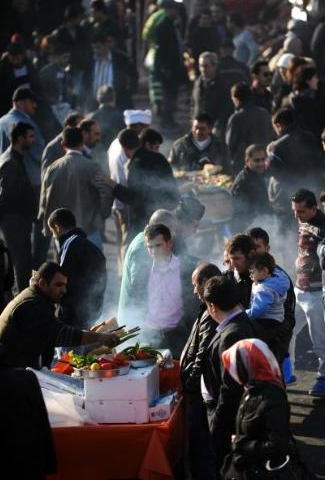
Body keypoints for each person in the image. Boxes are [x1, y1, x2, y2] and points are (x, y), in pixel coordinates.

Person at [0, 262, 119, 369]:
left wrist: (90, 334)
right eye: (58, 285)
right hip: (8, 371)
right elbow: (61, 334)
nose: (64, 290)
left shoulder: (39, 299)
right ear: (42, 283)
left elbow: (53, 329)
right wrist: (99, 337)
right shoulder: (31, 305)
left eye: (65, 285)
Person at [201, 275, 257, 479]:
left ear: (213, 307)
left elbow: (230, 388)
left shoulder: (233, 334)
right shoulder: (238, 323)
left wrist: (216, 424)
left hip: (228, 421)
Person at [119, 222, 199, 358]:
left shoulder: (186, 270)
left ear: (169, 244)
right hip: (151, 336)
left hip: (178, 335)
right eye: (149, 247)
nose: (153, 251)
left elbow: (194, 305)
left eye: (158, 245)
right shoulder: (143, 272)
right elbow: (137, 300)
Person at [221, 338, 290, 480]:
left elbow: (278, 446)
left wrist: (242, 444)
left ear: (247, 365)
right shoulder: (251, 388)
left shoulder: (272, 397)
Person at [39, 126, 113, 251]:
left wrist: (49, 227)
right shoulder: (91, 166)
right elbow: (106, 192)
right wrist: (100, 217)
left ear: (62, 144)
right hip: (88, 229)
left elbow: (44, 202)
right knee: (93, 268)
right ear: (82, 142)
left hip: (61, 231)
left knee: (65, 268)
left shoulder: (53, 168)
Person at [180, 262, 221, 480]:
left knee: (202, 448)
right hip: (199, 393)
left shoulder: (210, 316)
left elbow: (201, 357)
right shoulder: (206, 310)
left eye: (195, 285)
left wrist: (190, 385)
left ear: (205, 283)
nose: (194, 290)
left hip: (201, 395)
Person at [103, 128, 179, 242]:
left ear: (123, 148)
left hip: (146, 219)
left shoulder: (136, 164)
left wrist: (114, 186)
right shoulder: (160, 158)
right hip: (168, 214)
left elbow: (135, 197)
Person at [108, 108, 152, 274]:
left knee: (123, 242)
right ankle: (127, 278)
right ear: (139, 127)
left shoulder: (114, 143)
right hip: (126, 203)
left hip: (118, 202)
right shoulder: (128, 150)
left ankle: (123, 276)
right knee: (129, 244)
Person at [47, 208, 107, 329]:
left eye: (52, 232)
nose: (53, 236)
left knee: (69, 347)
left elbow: (61, 279)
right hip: (91, 312)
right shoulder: (92, 247)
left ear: (57, 227)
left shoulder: (69, 245)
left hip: (72, 314)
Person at [291, 189, 325, 396]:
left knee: (319, 341)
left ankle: (323, 377)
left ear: (314, 208)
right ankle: (287, 372)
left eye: (301, 211)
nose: (297, 215)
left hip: (316, 293)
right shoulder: (301, 221)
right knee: (287, 331)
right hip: (299, 289)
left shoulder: (324, 227)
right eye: (295, 211)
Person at [247, 227, 296, 369]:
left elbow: (289, 316)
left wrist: (276, 340)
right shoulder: (242, 272)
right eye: (250, 248)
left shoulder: (279, 278)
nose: (253, 252)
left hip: (271, 339)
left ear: (267, 248)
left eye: (257, 247)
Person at [269, 108, 324, 225]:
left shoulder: (278, 146)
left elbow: (275, 172)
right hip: (314, 190)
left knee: (294, 227)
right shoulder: (311, 137)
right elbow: (320, 163)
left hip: (292, 197)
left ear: (278, 125)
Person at [0, 122, 37, 292]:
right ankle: (22, 306)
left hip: (18, 221)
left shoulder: (16, 159)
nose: (33, 140)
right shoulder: (10, 162)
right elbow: (6, 197)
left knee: (22, 266)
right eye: (30, 136)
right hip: (14, 222)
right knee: (21, 267)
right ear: (19, 138)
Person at [84, 29, 138, 111]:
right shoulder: (89, 61)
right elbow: (85, 81)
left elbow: (133, 76)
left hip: (119, 103)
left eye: (98, 47)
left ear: (106, 44)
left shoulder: (121, 59)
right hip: (95, 104)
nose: (96, 51)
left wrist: (128, 93)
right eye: (94, 48)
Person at [226, 82, 274, 174]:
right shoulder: (264, 113)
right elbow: (272, 136)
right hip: (264, 163)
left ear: (236, 99)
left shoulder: (236, 118)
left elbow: (230, 144)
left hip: (244, 166)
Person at [246, 252, 289, 347]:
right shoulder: (279, 279)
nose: (250, 275)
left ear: (265, 271)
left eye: (252, 272)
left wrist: (243, 314)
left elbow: (257, 310)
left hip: (266, 322)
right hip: (278, 320)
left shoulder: (264, 289)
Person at [192, 52, 231, 143]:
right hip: (199, 128)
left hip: (215, 129)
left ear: (214, 66)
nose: (203, 69)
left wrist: (217, 126)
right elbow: (193, 104)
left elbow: (226, 108)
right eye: (201, 66)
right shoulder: (198, 82)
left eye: (206, 66)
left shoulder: (223, 84)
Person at [231, 143, 271, 233]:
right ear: (247, 160)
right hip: (251, 229)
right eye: (256, 160)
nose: (261, 163)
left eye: (263, 159)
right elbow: (241, 215)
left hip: (265, 224)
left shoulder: (261, 174)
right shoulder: (241, 183)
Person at [87, 84, 124, 150]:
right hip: (115, 153)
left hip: (94, 154)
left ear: (98, 99)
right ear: (114, 98)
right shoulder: (122, 118)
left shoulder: (89, 118)